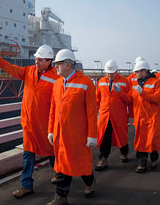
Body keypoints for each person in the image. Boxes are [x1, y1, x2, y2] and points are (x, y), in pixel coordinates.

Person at [0, 45, 59, 198]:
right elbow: (11, 68)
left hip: (46, 125)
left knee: (52, 152)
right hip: (29, 124)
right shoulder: (28, 71)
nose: (36, 62)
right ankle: (26, 186)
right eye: (36, 59)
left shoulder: (56, 78)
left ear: (49, 61)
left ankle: (59, 175)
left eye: (40, 60)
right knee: (27, 155)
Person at [47, 49, 97, 205]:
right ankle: (61, 196)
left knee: (82, 165)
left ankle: (89, 181)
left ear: (68, 64)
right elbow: (53, 110)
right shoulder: (57, 84)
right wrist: (50, 130)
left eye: (58, 64)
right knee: (62, 165)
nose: (55, 66)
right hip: (61, 135)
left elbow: (91, 112)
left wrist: (92, 135)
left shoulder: (85, 83)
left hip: (78, 135)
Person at [95, 60, 132, 171]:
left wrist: (120, 92)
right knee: (104, 138)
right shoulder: (101, 81)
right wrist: (94, 113)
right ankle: (103, 159)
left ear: (117, 71)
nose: (110, 75)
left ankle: (124, 153)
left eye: (112, 72)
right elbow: (97, 99)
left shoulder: (125, 82)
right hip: (104, 116)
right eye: (108, 72)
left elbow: (129, 100)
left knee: (121, 137)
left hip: (119, 116)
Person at [131, 60, 160, 173]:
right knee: (141, 141)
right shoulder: (135, 83)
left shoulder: (156, 82)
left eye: (137, 72)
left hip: (152, 118)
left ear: (144, 71)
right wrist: (120, 93)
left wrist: (143, 93)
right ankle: (142, 163)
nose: (135, 74)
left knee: (152, 141)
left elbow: (157, 98)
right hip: (140, 118)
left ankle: (154, 158)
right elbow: (131, 98)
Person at [127, 56, 145, 126]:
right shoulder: (131, 77)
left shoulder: (148, 77)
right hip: (133, 101)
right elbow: (128, 89)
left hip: (143, 101)